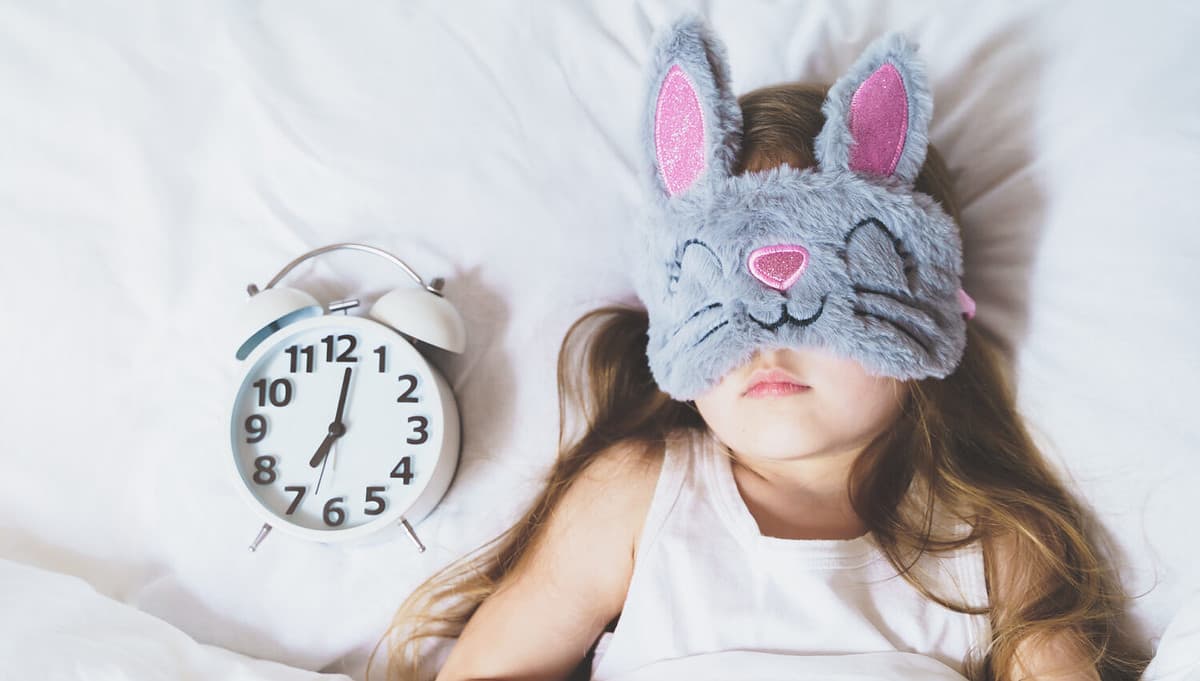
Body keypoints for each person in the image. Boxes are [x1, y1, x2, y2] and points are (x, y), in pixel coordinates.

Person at [372, 15, 1149, 681]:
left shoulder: (988, 546)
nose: (766, 341)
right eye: (726, 304)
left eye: (815, 308)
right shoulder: (642, 497)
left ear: (921, 320)